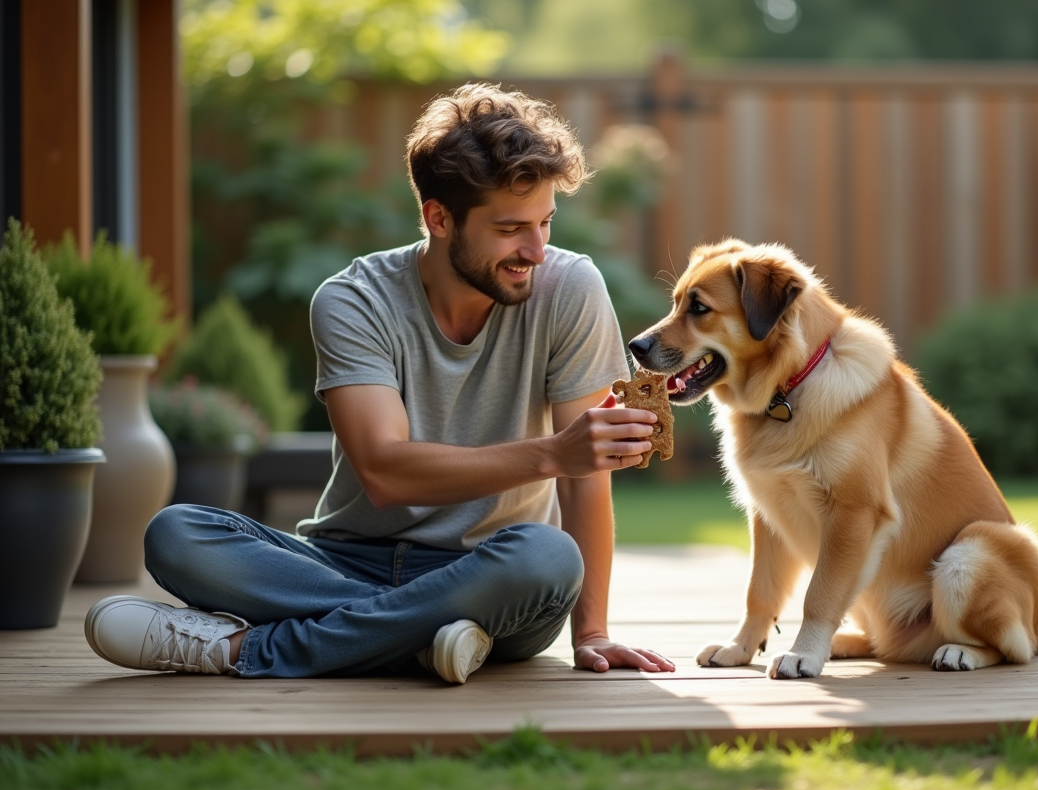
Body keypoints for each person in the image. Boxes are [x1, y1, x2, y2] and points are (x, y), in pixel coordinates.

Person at [84, 83, 675, 684]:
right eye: (510, 228)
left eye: (545, 222)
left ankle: (246, 651)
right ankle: (426, 639)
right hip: (346, 561)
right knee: (177, 533)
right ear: (438, 217)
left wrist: (592, 633)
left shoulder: (571, 288)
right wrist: (553, 453)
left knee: (547, 557)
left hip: (495, 570)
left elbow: (586, 474)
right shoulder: (353, 300)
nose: (537, 250)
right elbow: (386, 474)